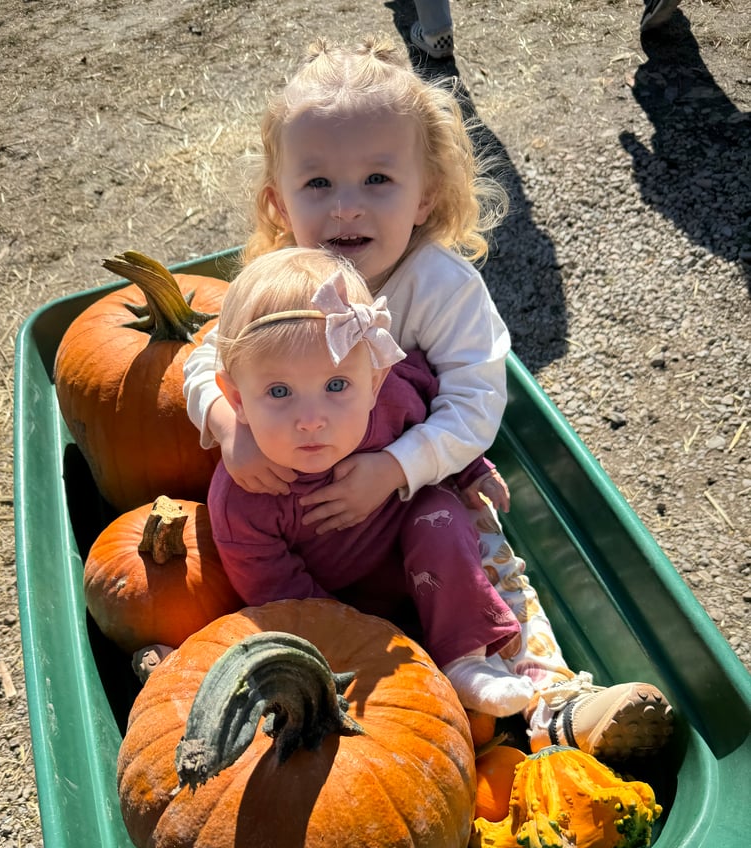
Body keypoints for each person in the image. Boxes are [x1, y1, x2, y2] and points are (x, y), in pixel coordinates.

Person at [183, 36, 673, 760]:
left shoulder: (440, 288)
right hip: (295, 505)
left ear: (428, 195)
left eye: (378, 178)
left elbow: (477, 400)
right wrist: (229, 425)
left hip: (412, 491)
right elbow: (204, 362)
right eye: (317, 185)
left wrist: (397, 468)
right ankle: (353, 676)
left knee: (478, 549)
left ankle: (547, 699)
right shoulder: (277, 282)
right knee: (271, 591)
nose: (347, 207)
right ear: (278, 203)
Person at [208, 245, 540, 715]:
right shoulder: (245, 496)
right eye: (279, 392)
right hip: (339, 603)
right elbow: (279, 593)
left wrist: (470, 469)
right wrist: (364, 638)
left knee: (439, 515)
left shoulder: (392, 401)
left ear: (376, 380)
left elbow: (428, 421)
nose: (311, 418)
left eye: (336, 386)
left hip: (421, 555)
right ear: (236, 398)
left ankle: (465, 658)